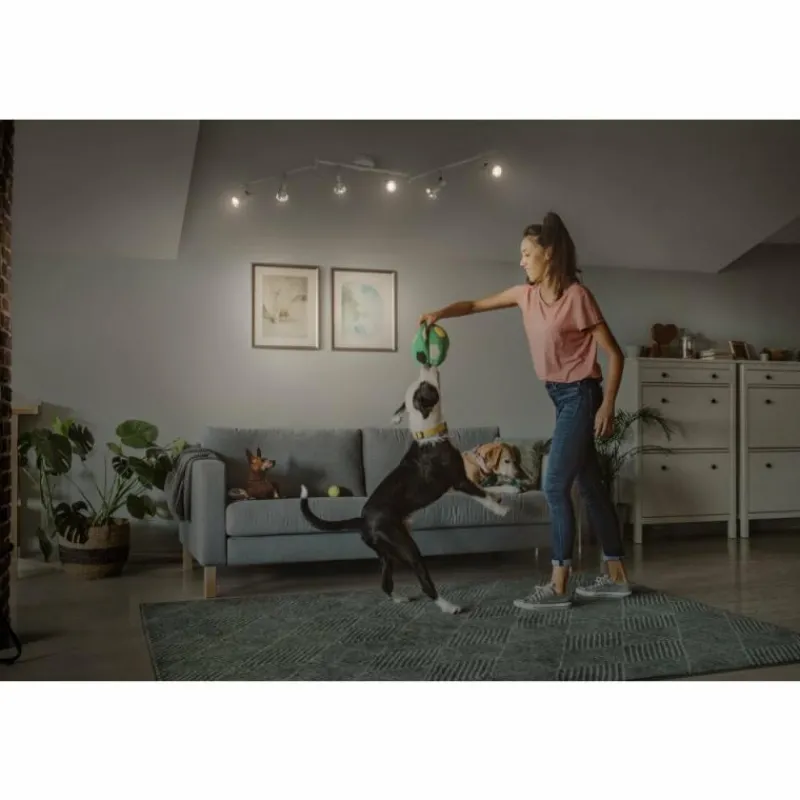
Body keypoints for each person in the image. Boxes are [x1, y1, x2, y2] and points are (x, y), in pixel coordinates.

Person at [419, 212, 630, 610]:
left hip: (582, 395)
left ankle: (558, 586)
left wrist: (608, 404)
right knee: (590, 486)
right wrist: (440, 313)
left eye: (527, 253)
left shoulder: (577, 297)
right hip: (561, 397)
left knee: (554, 486)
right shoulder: (525, 295)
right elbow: (475, 304)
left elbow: (615, 355)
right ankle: (617, 577)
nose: (521, 261)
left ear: (548, 254)